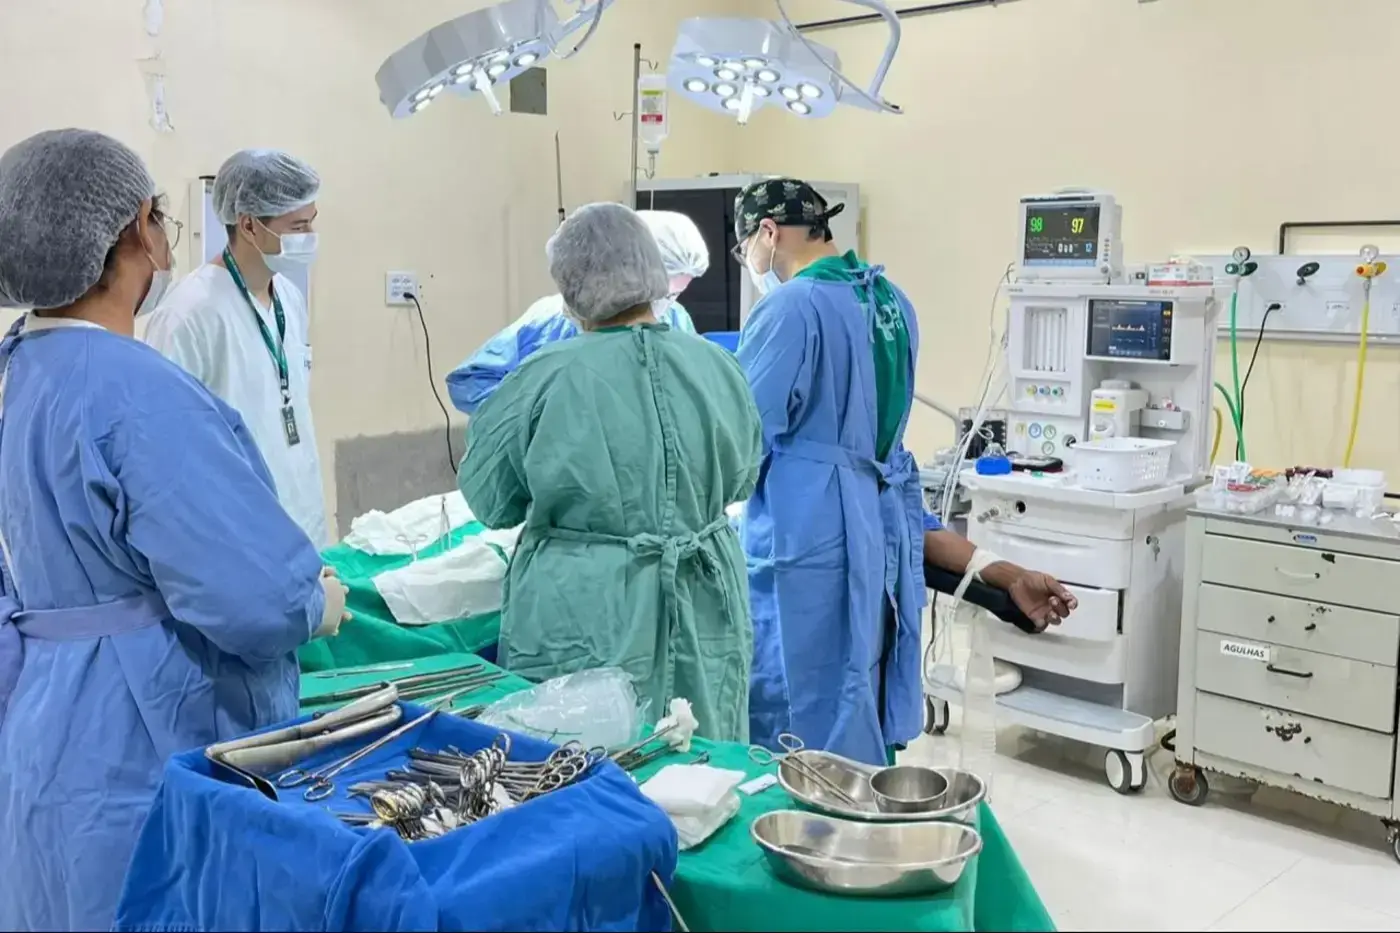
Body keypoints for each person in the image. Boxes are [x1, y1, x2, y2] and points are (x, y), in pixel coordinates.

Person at [0, 129, 348, 932]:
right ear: (137, 231)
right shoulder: (134, 394)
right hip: (140, 740)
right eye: (160, 219)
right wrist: (312, 602)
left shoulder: (18, 374)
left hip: (42, 736)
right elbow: (252, 599)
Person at [734, 177, 1077, 766]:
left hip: (805, 549)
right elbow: (883, 477)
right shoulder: (891, 302)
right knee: (857, 703)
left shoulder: (790, 308)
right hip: (877, 543)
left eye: (745, 248)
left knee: (795, 725)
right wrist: (1003, 572)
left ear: (767, 233)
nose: (749, 261)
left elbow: (736, 440)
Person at [459, 202, 760, 741]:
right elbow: (742, 480)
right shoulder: (718, 366)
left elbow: (490, 498)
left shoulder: (545, 376)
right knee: (700, 755)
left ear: (572, 286)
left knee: (580, 757)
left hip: (587, 606)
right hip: (703, 596)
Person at [144, 149, 328, 544]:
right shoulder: (188, 313)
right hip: (236, 536)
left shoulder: (289, 298)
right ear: (248, 225)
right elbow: (164, 448)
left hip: (302, 520)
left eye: (312, 221)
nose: (310, 236)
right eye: (298, 226)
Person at [446, 209, 710, 414]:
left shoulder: (676, 320)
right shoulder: (554, 321)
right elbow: (470, 382)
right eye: (660, 292)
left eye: (673, 295)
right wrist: (537, 418)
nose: (661, 305)